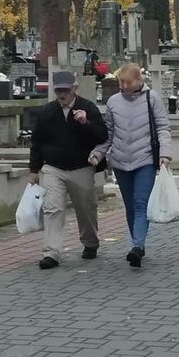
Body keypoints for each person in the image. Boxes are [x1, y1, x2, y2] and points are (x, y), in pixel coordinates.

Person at [89, 63, 172, 268]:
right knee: (129, 206)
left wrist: (165, 154)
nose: (123, 85)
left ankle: (136, 246)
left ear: (139, 81)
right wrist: (98, 153)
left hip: (144, 159)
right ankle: (138, 242)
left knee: (140, 203)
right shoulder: (114, 102)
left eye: (127, 82)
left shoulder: (151, 98)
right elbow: (108, 132)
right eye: (121, 81)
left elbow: (162, 127)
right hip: (120, 160)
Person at [29, 70, 108, 270]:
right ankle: (51, 253)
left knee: (86, 209)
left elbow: (102, 136)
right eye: (58, 91)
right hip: (53, 168)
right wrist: (34, 170)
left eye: (65, 90)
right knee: (53, 208)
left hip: (81, 167)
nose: (62, 95)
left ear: (75, 89)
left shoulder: (88, 107)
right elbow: (36, 142)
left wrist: (85, 123)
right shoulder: (47, 111)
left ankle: (90, 243)